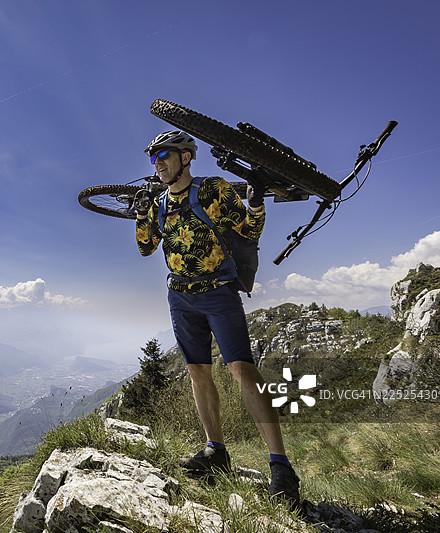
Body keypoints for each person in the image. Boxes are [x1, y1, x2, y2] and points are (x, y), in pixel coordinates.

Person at [134, 130, 300, 505]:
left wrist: (256, 201)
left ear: (186, 157)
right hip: (180, 295)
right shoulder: (158, 201)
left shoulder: (213, 189)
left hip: (218, 292)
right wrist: (140, 213)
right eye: (152, 158)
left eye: (164, 154)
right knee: (198, 371)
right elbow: (146, 247)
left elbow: (249, 230)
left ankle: (281, 466)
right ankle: (216, 452)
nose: (157, 162)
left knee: (241, 369)